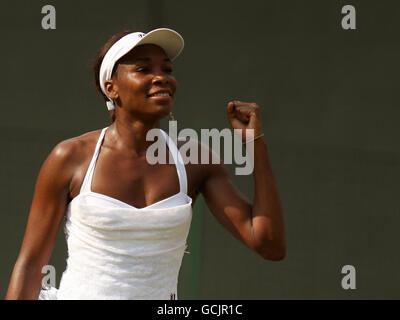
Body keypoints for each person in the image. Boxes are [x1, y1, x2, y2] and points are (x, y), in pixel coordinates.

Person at [5, 28, 286, 300]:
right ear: (111, 88)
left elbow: (269, 245)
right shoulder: (69, 157)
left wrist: (256, 144)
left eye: (167, 70)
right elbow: (31, 265)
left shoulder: (196, 161)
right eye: (143, 69)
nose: (161, 78)